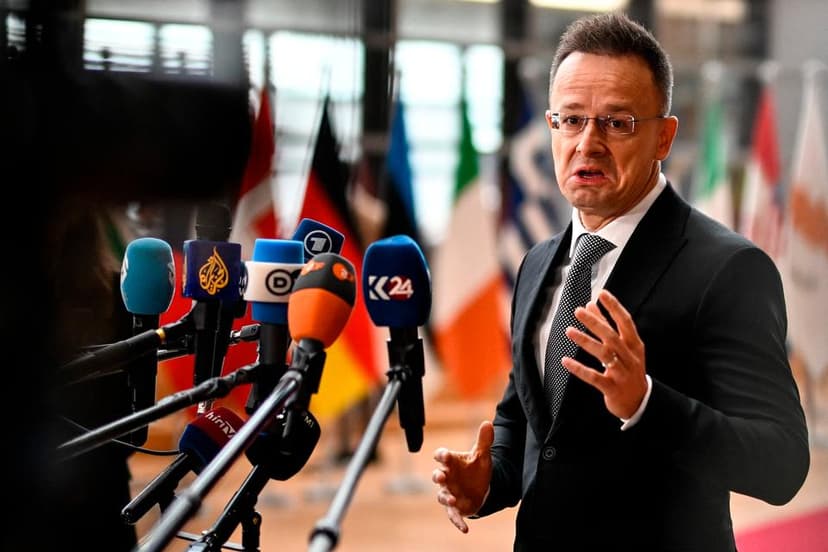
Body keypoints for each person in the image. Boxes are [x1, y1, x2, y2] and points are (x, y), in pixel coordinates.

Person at [431, 11, 810, 551]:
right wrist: (488, 481)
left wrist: (645, 404)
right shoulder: (537, 262)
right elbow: (530, 422)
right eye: (571, 119)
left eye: (617, 123)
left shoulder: (729, 269)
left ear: (664, 137)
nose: (587, 143)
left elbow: (781, 463)